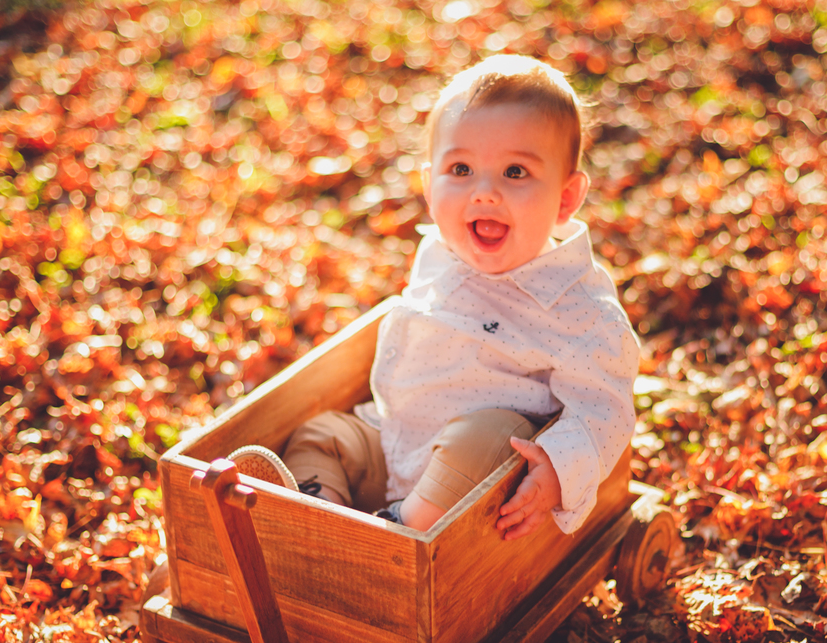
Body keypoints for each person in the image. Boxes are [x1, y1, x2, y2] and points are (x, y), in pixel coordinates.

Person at [234, 54, 640, 540]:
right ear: (429, 186)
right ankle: (317, 519)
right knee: (323, 433)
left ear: (566, 199)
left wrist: (557, 472)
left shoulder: (581, 311)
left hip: (471, 484)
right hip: (395, 444)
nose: (484, 192)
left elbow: (605, 410)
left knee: (487, 435)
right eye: (461, 168)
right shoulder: (442, 253)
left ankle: (392, 539)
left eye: (515, 172)